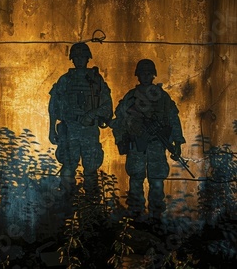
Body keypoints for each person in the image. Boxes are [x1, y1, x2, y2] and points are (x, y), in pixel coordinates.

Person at [112, 59, 185, 221]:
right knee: (136, 178)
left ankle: (156, 216)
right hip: (137, 145)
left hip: (156, 145)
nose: (145, 76)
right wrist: (122, 139)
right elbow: (119, 119)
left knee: (157, 180)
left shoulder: (163, 97)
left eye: (148, 73)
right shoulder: (131, 97)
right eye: (142, 73)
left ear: (153, 75)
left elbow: (173, 119)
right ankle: (136, 214)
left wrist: (177, 143)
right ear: (137, 75)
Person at [48, 42, 112, 202]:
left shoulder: (96, 80)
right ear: (72, 59)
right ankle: (65, 205)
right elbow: (54, 106)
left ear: (88, 58)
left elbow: (107, 107)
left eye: (82, 57)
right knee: (68, 168)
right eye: (76, 57)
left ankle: (91, 209)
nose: (79, 60)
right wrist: (51, 129)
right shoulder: (65, 80)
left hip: (89, 132)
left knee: (90, 170)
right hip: (70, 131)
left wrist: (92, 114)